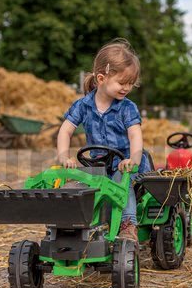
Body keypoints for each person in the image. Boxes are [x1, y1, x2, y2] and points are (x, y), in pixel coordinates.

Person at [57, 39, 151, 242]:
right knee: (79, 184)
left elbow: (135, 134)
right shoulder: (83, 105)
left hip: (126, 164)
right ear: (101, 78)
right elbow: (65, 131)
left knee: (120, 181)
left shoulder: (127, 108)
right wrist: (64, 156)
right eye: (122, 82)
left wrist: (133, 159)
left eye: (130, 84)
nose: (126, 88)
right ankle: (84, 226)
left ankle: (128, 224)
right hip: (99, 164)